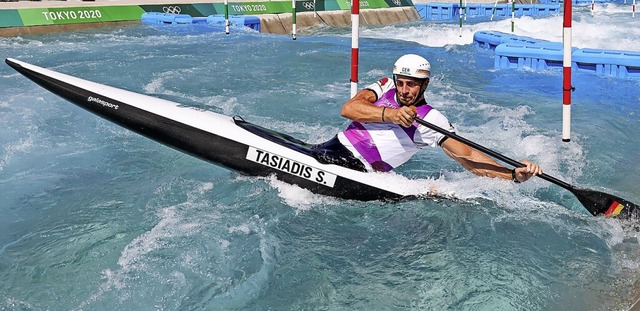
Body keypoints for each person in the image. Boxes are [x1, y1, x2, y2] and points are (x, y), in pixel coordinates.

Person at [313, 54, 542, 183]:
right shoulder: (385, 86)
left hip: (359, 168)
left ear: (425, 85)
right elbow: (349, 108)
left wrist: (512, 174)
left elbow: (468, 156)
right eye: (401, 83)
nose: (403, 90)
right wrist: (391, 115)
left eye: (411, 85)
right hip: (332, 148)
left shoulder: (432, 120)